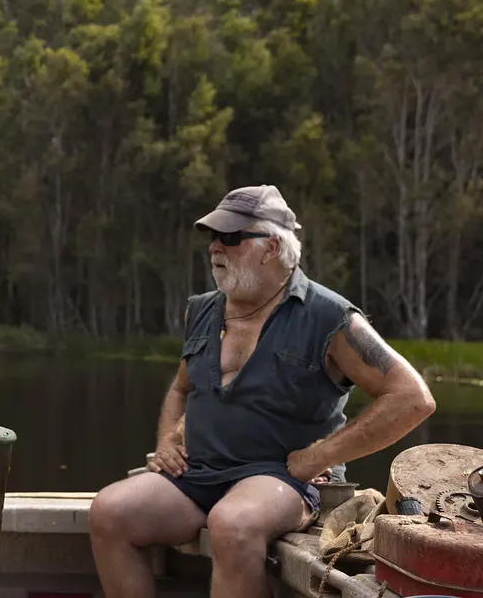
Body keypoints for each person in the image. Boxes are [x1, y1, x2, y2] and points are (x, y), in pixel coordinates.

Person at [88, 185, 436, 598]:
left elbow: (412, 398)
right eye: (212, 237)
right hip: (200, 474)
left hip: (281, 480)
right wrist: (167, 438)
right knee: (110, 512)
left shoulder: (328, 316)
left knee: (232, 524)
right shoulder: (201, 310)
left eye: (232, 237)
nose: (215, 246)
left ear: (271, 246)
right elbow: (182, 387)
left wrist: (320, 456)